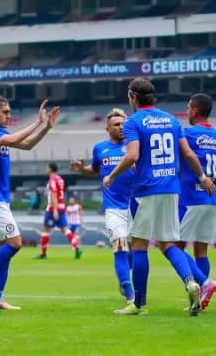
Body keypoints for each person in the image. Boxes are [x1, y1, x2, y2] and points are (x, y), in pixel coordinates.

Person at [103, 77, 216, 316]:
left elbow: (132, 155)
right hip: (171, 189)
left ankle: (138, 303)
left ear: (133, 97)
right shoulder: (171, 120)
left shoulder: (133, 122)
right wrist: (202, 177)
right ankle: (190, 281)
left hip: (146, 190)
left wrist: (112, 175)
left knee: (139, 245)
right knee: (169, 243)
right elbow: (187, 153)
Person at [0, 96, 60, 311]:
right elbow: (11, 141)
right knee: (15, 243)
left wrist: (46, 128)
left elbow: (27, 145)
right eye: (5, 112)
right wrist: (37, 122)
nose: (9, 116)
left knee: (5, 249)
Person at [71, 108, 137, 303]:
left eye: (124, 123)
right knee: (120, 246)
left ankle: (125, 277)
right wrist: (82, 169)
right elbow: (95, 169)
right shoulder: (100, 148)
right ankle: (128, 290)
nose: (121, 127)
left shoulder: (135, 147)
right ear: (107, 128)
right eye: (116, 124)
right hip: (114, 207)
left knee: (135, 250)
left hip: (137, 206)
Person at [177, 93, 216, 306]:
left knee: (174, 247)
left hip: (191, 196)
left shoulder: (187, 133)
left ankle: (204, 282)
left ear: (194, 110)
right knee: (201, 250)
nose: (186, 111)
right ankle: (200, 298)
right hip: (212, 198)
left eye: (188, 108)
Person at [35, 163, 82, 260]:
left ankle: (43, 254)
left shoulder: (52, 180)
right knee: (65, 229)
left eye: (47, 167)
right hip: (62, 206)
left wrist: (55, 210)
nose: (46, 169)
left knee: (46, 229)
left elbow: (54, 194)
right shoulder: (60, 179)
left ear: (51, 169)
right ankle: (76, 246)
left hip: (53, 208)